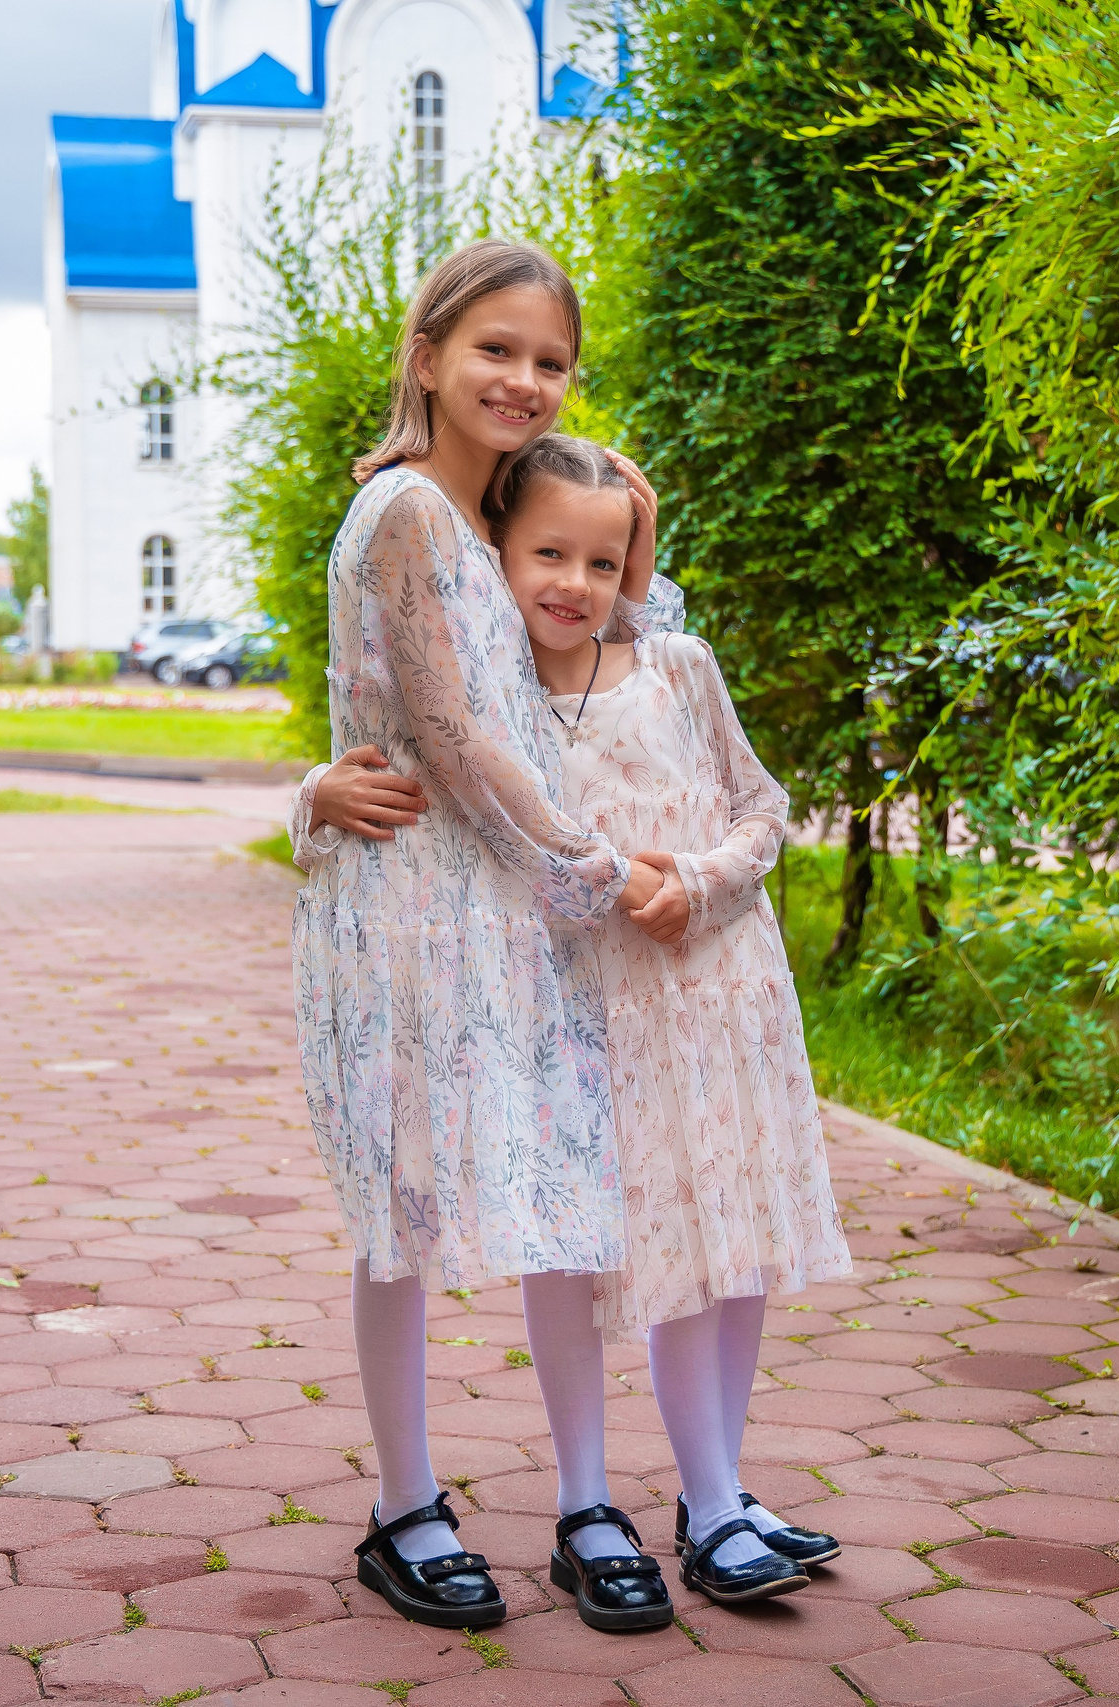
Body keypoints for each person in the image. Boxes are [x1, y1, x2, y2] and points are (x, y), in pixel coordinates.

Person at [304, 433, 854, 1608]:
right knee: (587, 1240)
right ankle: (587, 1502)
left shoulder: (671, 662)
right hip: (579, 996)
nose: (573, 581)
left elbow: (757, 802)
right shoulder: (495, 670)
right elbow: (412, 728)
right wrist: (306, 789)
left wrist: (700, 882)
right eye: (544, 551)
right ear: (496, 549)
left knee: (729, 1240)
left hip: (718, 992)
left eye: (601, 563)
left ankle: (716, 1497)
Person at [286, 239, 685, 1635]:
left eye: (550, 359)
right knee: (403, 1210)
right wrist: (589, 865)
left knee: (565, 1196)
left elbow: (590, 672)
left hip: (517, 909)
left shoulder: (507, 514)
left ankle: (587, 1500)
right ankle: (406, 1505)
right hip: (413, 909)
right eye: (495, 350)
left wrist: (640, 529)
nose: (522, 379)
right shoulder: (402, 511)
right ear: (429, 353)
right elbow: (447, 739)